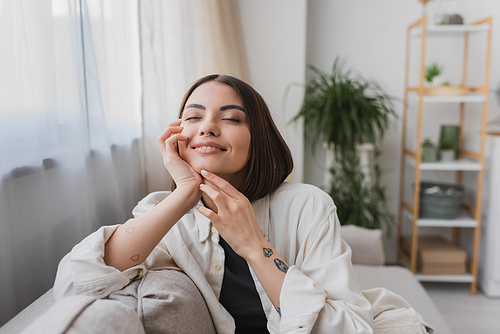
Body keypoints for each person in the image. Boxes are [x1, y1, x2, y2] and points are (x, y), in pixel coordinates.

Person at [52, 74, 374, 333]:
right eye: (193, 116)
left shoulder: (308, 207)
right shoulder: (167, 215)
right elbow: (75, 283)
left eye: (231, 118)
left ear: (257, 137)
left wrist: (253, 245)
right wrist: (184, 192)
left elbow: (351, 327)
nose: (207, 126)